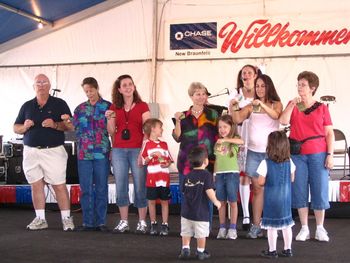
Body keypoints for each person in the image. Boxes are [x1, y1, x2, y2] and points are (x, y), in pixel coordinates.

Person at [13, 74, 75, 231]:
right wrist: (24, 127)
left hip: (53, 151)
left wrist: (55, 125)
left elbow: (70, 126)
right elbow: (15, 128)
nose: (41, 85)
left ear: (49, 85)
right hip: (31, 152)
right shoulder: (27, 106)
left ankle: (66, 219)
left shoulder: (59, 104)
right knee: (36, 185)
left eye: (44, 82)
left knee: (59, 185)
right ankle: (40, 218)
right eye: (38, 82)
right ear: (34, 86)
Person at [280, 71, 334, 242]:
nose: (299, 87)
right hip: (298, 154)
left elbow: (329, 134)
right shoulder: (293, 105)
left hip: (318, 152)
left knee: (319, 189)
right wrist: (290, 105)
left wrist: (330, 155)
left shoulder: (322, 108)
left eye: (303, 84)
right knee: (299, 189)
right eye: (298, 84)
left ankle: (320, 227)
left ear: (312, 88)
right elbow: (282, 121)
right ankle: (304, 227)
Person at [231, 74, 282, 238]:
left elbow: (276, 115)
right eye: (257, 86)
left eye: (263, 86)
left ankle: (273, 223)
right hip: (253, 153)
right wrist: (234, 107)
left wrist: (262, 105)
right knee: (257, 189)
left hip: (271, 153)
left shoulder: (275, 103)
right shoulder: (251, 106)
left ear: (269, 87)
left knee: (273, 189)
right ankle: (256, 224)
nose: (260, 89)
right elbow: (237, 119)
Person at [62, 77, 111, 231]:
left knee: (102, 187)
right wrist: (67, 121)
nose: (89, 93)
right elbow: (73, 128)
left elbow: (112, 129)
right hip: (83, 153)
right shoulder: (80, 109)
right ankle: (88, 222)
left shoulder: (108, 107)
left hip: (101, 153)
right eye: (86, 91)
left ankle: (101, 222)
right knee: (86, 188)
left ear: (97, 88)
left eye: (91, 90)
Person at [105, 74, 151, 234]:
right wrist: (109, 119)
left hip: (138, 149)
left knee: (140, 185)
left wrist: (143, 151)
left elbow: (148, 129)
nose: (128, 87)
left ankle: (142, 222)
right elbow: (111, 131)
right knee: (121, 185)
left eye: (130, 84)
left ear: (134, 86)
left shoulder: (142, 106)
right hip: (118, 149)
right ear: (119, 89)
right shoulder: (113, 107)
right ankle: (124, 221)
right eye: (124, 85)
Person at [227, 64, 261, 230]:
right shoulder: (236, 94)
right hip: (241, 134)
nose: (246, 75)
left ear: (255, 75)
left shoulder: (261, 91)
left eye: (249, 72)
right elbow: (230, 115)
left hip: (257, 135)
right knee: (244, 176)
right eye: (244, 73)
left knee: (257, 179)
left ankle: (259, 216)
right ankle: (246, 215)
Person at [178, 146, 221, 261]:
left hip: (186, 212)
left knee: (186, 232)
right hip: (201, 212)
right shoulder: (206, 175)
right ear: (206, 161)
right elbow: (209, 191)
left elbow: (182, 190)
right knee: (201, 233)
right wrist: (216, 202)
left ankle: (185, 249)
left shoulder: (187, 175)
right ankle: (200, 251)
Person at [257, 131, 295, 258]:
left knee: (272, 227)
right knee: (287, 225)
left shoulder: (265, 163)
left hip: (271, 201)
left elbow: (260, 181)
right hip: (285, 200)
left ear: (270, 146)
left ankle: (272, 251)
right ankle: (287, 249)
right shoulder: (290, 162)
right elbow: (292, 178)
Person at [141, 118, 173, 236]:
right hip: (152, 179)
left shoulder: (164, 144)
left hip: (164, 178)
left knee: (165, 202)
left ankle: (165, 224)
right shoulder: (147, 144)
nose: (162, 129)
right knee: (152, 202)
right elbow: (144, 161)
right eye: (160, 127)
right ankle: (153, 223)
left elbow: (169, 160)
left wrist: (166, 163)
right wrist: (151, 156)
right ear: (153, 129)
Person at [214, 114, 244, 240]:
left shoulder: (234, 140)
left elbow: (241, 142)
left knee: (232, 201)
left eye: (225, 127)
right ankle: (222, 227)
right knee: (221, 202)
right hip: (220, 175)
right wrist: (214, 174)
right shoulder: (218, 142)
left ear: (231, 127)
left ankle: (232, 228)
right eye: (220, 127)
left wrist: (226, 140)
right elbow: (216, 159)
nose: (222, 130)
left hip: (232, 173)